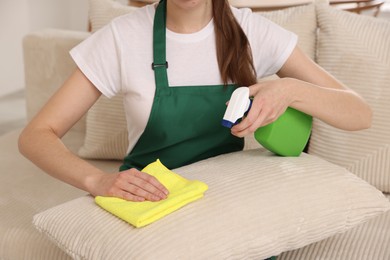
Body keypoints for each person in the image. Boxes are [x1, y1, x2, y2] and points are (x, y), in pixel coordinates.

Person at [18, 0, 372, 204]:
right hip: (148, 199)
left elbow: (359, 113)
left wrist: (291, 89)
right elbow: (36, 134)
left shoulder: (252, 33)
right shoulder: (122, 37)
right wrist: (97, 181)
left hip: (228, 200)